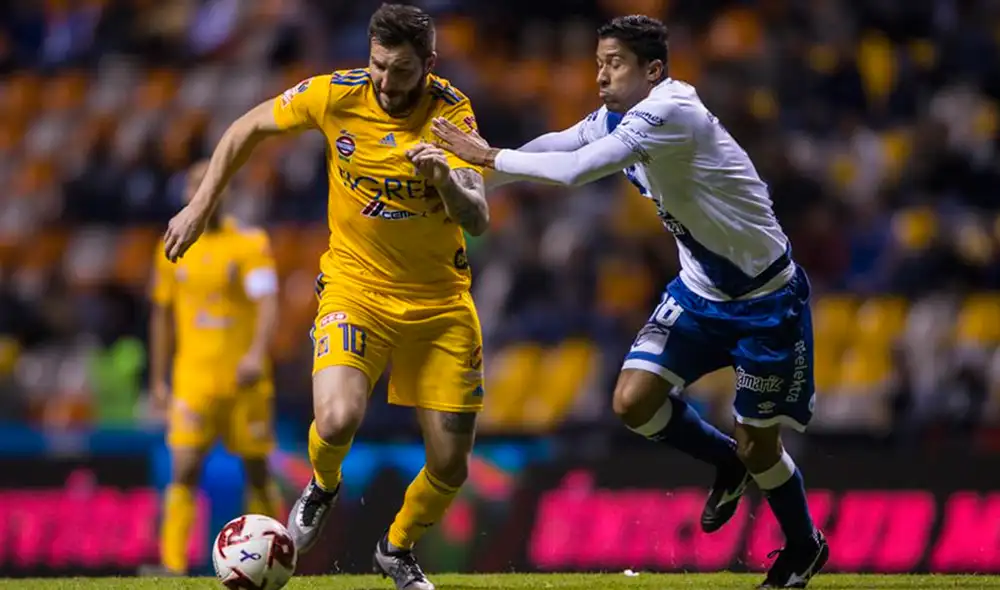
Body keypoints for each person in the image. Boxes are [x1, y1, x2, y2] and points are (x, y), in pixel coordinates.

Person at [433, 15, 827, 589]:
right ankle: (723, 463)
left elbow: (574, 171)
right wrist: (468, 177)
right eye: (597, 64)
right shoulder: (621, 116)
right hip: (699, 292)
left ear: (653, 70)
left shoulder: (671, 112)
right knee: (634, 401)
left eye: (613, 64)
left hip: (766, 301)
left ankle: (802, 544)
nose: (600, 76)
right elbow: (558, 144)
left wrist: (488, 156)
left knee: (759, 442)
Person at [161, 4, 489, 589]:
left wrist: (445, 178)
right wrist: (201, 204)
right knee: (336, 419)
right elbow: (246, 128)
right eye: (379, 66)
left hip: (440, 304)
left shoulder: (452, 113)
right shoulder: (336, 95)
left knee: (449, 464)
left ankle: (397, 548)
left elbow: (479, 215)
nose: (387, 83)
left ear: (429, 65)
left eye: (403, 71)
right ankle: (323, 484)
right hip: (355, 287)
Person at [148, 160, 282, 576]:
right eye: (195, 184)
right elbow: (161, 314)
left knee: (257, 472)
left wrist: (256, 354)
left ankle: (276, 556)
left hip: (245, 379)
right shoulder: (171, 245)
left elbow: (267, 303)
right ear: (186, 194)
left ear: (223, 192)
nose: (204, 191)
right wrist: (157, 379)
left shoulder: (249, 243)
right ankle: (171, 566)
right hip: (193, 377)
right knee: (184, 467)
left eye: (213, 183)